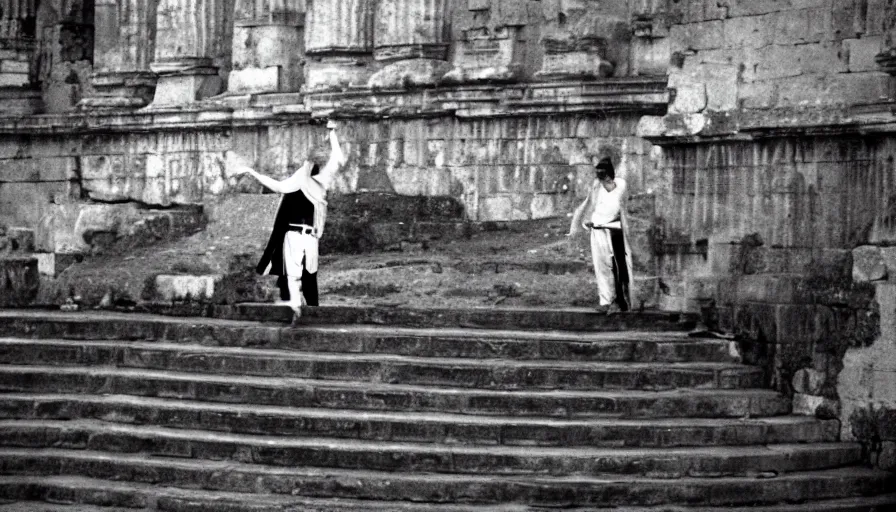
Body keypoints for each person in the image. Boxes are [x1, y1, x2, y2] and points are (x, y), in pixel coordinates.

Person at [226, 120, 347, 314]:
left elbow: (337, 159)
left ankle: (299, 304)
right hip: (301, 234)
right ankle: (296, 305)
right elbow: (280, 187)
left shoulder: (319, 175)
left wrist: (332, 134)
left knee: (302, 274)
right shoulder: (309, 174)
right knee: (296, 274)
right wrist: (332, 134)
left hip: (307, 234)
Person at [568, 156, 633, 314]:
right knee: (601, 266)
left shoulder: (621, 185)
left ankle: (621, 300)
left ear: (610, 175)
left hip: (614, 230)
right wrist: (584, 221)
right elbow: (590, 203)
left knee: (618, 266)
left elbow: (623, 207)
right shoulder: (597, 186)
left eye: (604, 177)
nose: (602, 180)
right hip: (598, 230)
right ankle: (605, 300)